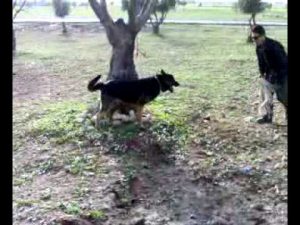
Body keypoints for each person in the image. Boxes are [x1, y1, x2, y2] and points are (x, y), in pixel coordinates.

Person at [251, 25, 288, 124]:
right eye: (252, 38)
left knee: (284, 98)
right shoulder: (259, 47)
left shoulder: (274, 46)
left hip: (282, 76)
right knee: (266, 97)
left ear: (263, 36)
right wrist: (262, 74)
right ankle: (267, 116)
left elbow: (284, 63)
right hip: (269, 76)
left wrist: (277, 78)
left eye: (256, 38)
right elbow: (261, 62)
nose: (254, 40)